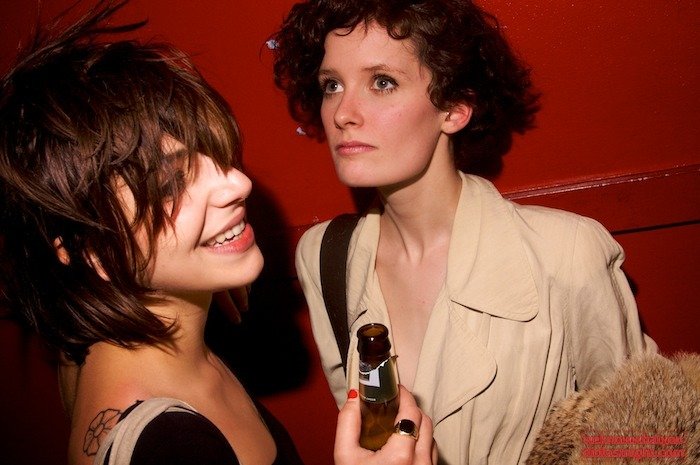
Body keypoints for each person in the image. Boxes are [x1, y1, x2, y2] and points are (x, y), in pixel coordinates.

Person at [0, 1, 436, 464]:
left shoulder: (94, 347)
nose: (237, 183)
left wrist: (193, 282)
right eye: (171, 183)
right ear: (91, 251)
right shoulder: (169, 449)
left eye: (214, 153)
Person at [271, 1, 657, 464]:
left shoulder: (566, 253)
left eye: (382, 82)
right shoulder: (325, 256)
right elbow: (364, 430)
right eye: (332, 85)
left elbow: (646, 442)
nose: (342, 113)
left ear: (454, 108)